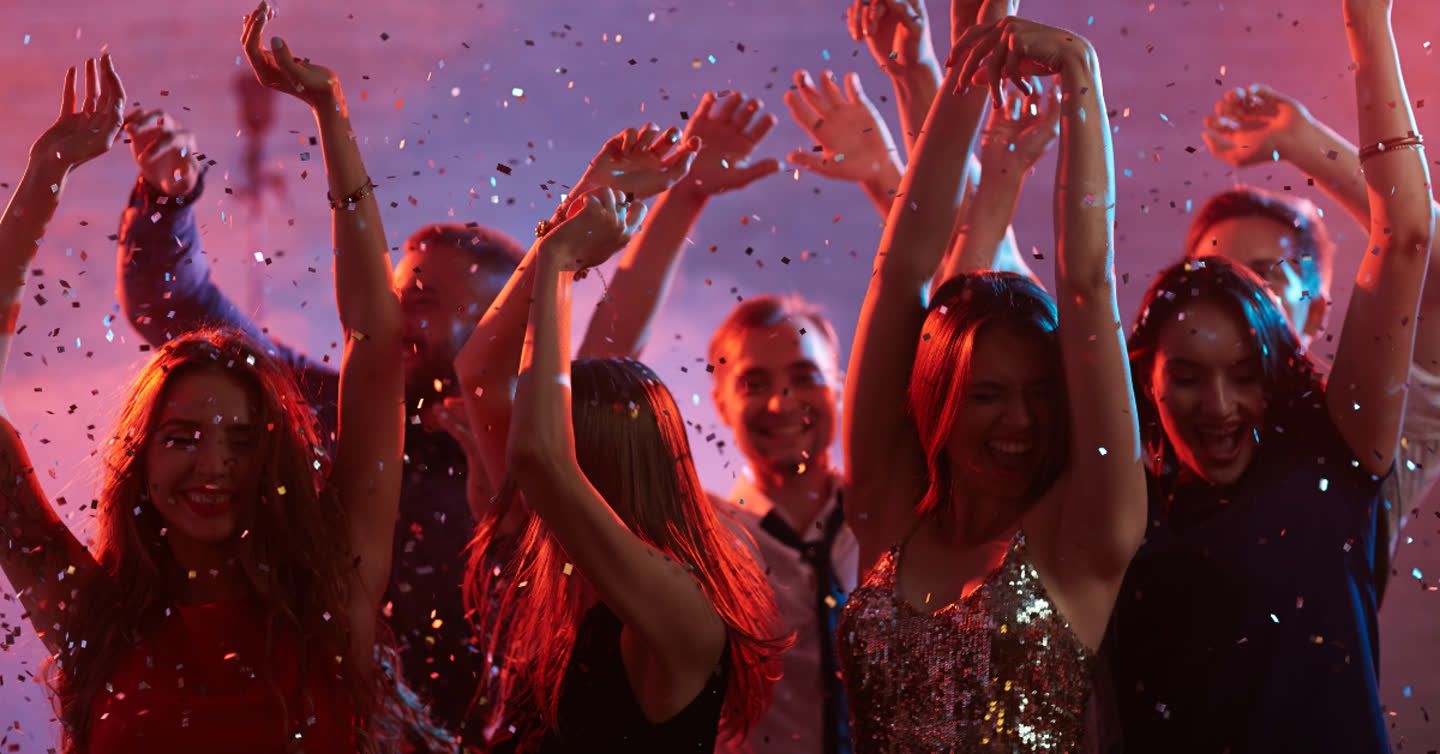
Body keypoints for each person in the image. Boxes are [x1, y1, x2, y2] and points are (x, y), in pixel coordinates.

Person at [0, 6, 425, 750]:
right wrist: (44, 178)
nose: (214, 465)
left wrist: (330, 112)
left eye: (241, 438)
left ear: (277, 456)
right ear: (141, 460)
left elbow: (375, 342)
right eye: (184, 437)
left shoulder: (333, 595)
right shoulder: (95, 619)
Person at [113, 38, 530, 739]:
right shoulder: (316, 405)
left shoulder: (542, 463)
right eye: (394, 294)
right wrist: (167, 200)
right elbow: (173, 306)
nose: (392, 313)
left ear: (499, 335)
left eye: (421, 302)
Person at [1111, 0, 1433, 748]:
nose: (1218, 405)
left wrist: (1366, 22)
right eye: (1188, 374)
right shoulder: (1123, 470)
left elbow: (1410, 237)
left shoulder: (1342, 441)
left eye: (1245, 371)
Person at [836, 14, 1145, 753]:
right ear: (941, 395)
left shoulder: (1085, 536)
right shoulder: (887, 506)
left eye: (1041, 393)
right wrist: (964, 79)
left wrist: (1080, 72)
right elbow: (901, 272)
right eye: (986, 394)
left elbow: (1087, 286)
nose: (1020, 422)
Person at [459, 186, 786, 752]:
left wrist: (561, 266)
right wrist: (573, 215)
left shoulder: (683, 602)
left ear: (593, 469)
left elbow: (539, 457)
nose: (517, 443)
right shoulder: (569, 566)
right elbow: (480, 372)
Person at [1196, 85, 1440, 599]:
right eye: (1214, 278)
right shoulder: (1137, 440)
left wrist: (1304, 143)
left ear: (1318, 313)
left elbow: (1427, 263)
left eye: (1264, 276)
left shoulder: (1364, 432)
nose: (1237, 299)